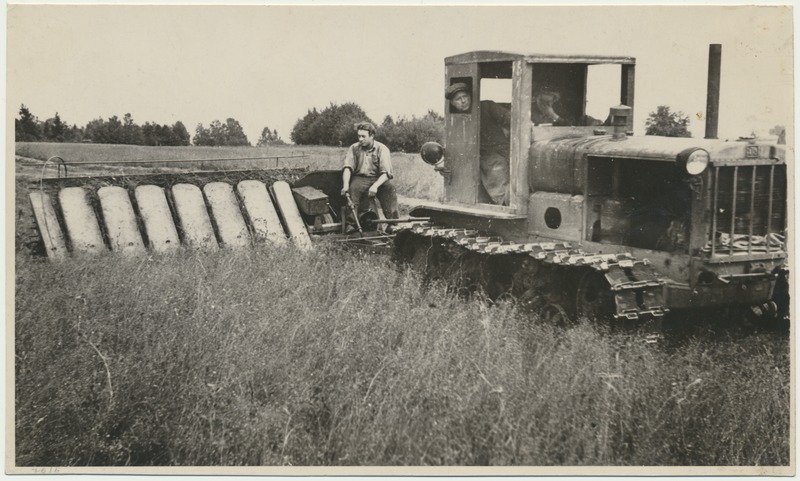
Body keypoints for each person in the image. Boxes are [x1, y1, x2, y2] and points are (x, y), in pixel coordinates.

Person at [446, 82, 511, 205]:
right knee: (497, 165)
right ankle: (504, 203)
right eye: (458, 99)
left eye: (465, 96)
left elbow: (510, 118)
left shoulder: (487, 107)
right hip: (485, 156)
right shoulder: (455, 121)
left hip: (505, 149)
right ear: (453, 103)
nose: (463, 101)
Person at [340, 121, 399, 228]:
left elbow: (386, 173)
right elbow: (347, 167)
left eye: (363, 136)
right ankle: (352, 224)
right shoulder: (354, 148)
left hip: (379, 178)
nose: (360, 139)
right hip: (360, 178)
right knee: (353, 189)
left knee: (390, 189)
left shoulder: (382, 149)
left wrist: (375, 186)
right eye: (359, 136)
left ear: (371, 136)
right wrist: (345, 185)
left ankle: (393, 224)